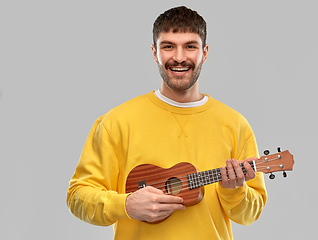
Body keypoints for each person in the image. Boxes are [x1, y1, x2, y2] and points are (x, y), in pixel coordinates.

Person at [67, 6, 267, 240]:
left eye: (190, 46)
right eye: (168, 46)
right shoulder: (116, 121)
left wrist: (235, 191)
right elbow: (77, 196)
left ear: (205, 52)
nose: (180, 57)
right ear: (154, 53)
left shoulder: (235, 125)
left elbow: (250, 215)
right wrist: (125, 205)